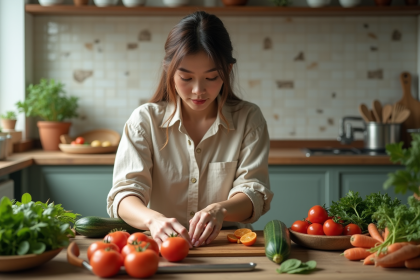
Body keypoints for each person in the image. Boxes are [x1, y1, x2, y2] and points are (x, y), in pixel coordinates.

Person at [107, 11, 273, 249]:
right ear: (169, 71)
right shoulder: (144, 121)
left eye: (211, 77)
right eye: (186, 77)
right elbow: (124, 194)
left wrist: (219, 210)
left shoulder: (249, 119)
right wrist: (153, 220)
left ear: (227, 70)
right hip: (159, 247)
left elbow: (254, 193)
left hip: (226, 246)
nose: (198, 90)